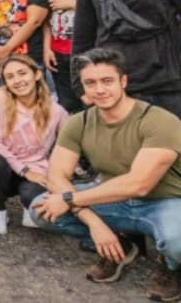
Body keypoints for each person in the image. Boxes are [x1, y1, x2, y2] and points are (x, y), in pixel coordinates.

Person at [31, 48, 181, 300]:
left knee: (176, 241)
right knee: (41, 209)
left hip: (166, 200)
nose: (99, 90)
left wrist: (70, 200)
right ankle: (120, 248)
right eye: (91, 83)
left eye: (107, 81)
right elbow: (57, 175)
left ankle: (171, 266)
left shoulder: (159, 121)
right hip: (115, 200)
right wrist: (94, 222)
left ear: (123, 81)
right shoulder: (78, 122)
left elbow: (139, 184)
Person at [0, 55, 66, 234]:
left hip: (36, 166)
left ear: (37, 74)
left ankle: (28, 207)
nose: (17, 81)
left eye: (22, 73)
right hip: (5, 167)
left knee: (34, 201)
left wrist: (60, 175)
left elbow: (66, 145)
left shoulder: (57, 111)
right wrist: (25, 171)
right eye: (10, 77)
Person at [42, 0, 91, 113]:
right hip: (58, 50)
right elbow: (47, 18)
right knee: (67, 105)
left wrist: (70, 3)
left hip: (85, 48)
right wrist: (47, 48)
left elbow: (102, 6)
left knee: (89, 102)